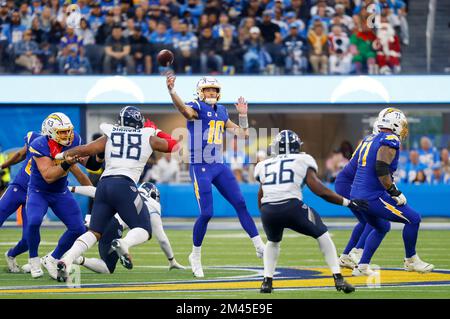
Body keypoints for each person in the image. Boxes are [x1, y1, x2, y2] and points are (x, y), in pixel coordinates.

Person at [55, 106, 179, 282]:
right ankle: (125, 243)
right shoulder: (148, 137)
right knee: (143, 228)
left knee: (94, 232)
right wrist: (157, 129)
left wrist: (62, 155)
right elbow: (175, 145)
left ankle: (66, 260)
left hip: (104, 185)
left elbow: (85, 150)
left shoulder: (111, 134)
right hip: (124, 185)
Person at [166, 73, 265, 278]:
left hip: (219, 164)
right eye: (208, 90)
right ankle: (195, 255)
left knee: (240, 203)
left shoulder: (221, 110)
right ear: (200, 92)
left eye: (214, 90)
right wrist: (172, 91)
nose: (211, 93)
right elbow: (184, 110)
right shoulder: (197, 106)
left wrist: (243, 116)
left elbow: (243, 134)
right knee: (206, 213)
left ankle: (258, 244)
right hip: (200, 165)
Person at [254, 130, 365, 294]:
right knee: (323, 234)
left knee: (273, 241)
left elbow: (261, 194)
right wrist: (348, 202)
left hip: (268, 210)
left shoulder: (263, 164)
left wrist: (266, 213)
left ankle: (267, 282)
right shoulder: (302, 159)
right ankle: (338, 278)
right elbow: (319, 190)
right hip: (291, 206)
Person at [351, 108, 434, 276]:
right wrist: (394, 192)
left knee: (381, 227)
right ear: (394, 124)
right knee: (413, 219)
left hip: (356, 194)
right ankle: (411, 260)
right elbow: (381, 168)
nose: (403, 129)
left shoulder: (369, 138)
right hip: (371, 196)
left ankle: (362, 266)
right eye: (401, 125)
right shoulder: (390, 139)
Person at [25, 112, 92, 278]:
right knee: (33, 221)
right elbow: (48, 176)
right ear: (50, 132)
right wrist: (67, 162)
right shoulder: (39, 144)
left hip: (60, 191)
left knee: (78, 228)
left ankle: (53, 258)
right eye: (62, 132)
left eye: (68, 130)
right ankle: (34, 259)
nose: (67, 135)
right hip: (39, 191)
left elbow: (83, 161)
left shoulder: (74, 139)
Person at [68, 182, 185, 273]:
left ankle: (72, 257)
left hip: (101, 219)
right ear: (153, 195)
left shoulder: (129, 193)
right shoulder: (153, 205)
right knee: (107, 268)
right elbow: (162, 238)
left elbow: (96, 191)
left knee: (86, 237)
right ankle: (123, 243)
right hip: (114, 226)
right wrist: (172, 260)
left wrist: (72, 188)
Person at [337, 107, 397, 269]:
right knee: (375, 219)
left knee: (367, 221)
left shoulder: (371, 141)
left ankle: (346, 256)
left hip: (348, 182)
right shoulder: (377, 143)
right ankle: (356, 253)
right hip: (350, 184)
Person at [1, 120, 46, 273]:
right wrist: (3, 166)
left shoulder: (61, 150)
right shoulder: (34, 138)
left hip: (35, 195)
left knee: (29, 239)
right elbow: (20, 154)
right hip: (18, 187)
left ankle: (11, 254)